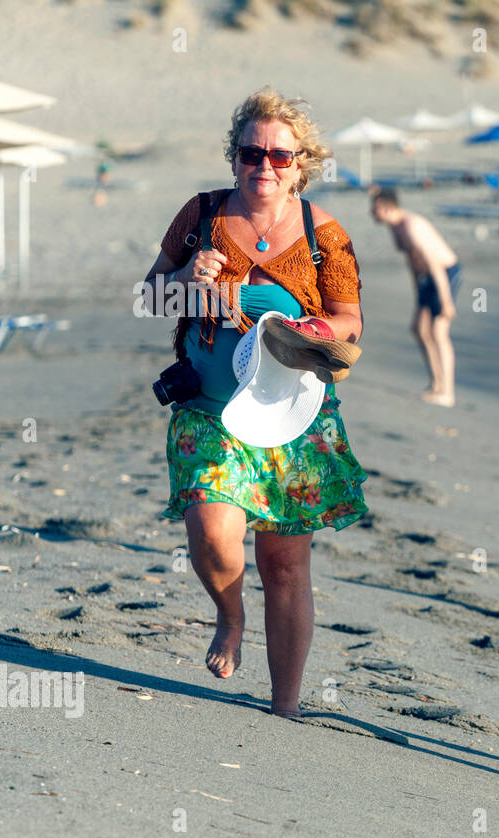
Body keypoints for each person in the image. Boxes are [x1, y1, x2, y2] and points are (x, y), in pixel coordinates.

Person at [143, 87, 367, 718]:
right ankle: (230, 616)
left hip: (293, 418)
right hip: (209, 410)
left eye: (280, 156)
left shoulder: (326, 236)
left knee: (286, 563)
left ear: (302, 164)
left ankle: (286, 706)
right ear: (234, 157)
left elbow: (350, 322)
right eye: (251, 152)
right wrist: (185, 282)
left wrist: (310, 333)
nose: (264, 166)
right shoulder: (202, 215)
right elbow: (147, 299)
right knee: (213, 529)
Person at [371, 188, 462, 406]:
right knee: (420, 329)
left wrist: (446, 301)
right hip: (425, 279)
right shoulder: (395, 227)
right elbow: (413, 262)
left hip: (444, 274)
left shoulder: (411, 226)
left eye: (374, 209)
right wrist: (418, 296)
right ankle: (436, 384)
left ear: (386, 207)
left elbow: (433, 264)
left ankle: (447, 392)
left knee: (439, 331)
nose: (372, 214)